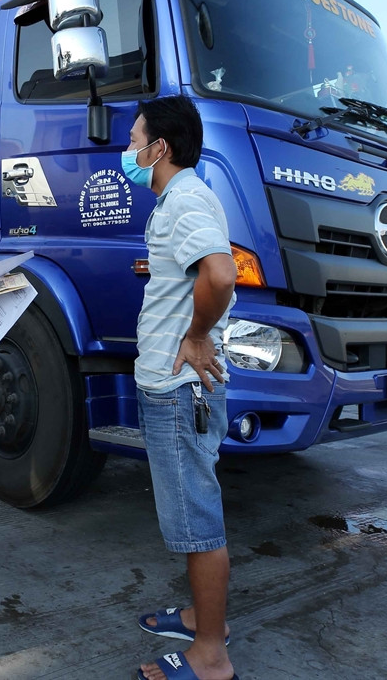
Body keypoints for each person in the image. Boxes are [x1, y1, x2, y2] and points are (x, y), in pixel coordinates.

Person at [125, 96, 239, 680]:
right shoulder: (180, 199)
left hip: (178, 389)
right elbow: (196, 269)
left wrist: (195, 336)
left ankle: (211, 655)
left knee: (197, 523)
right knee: (194, 513)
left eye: (134, 140)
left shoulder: (186, 199)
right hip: (175, 387)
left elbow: (220, 273)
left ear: (159, 148)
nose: (129, 152)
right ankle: (200, 618)